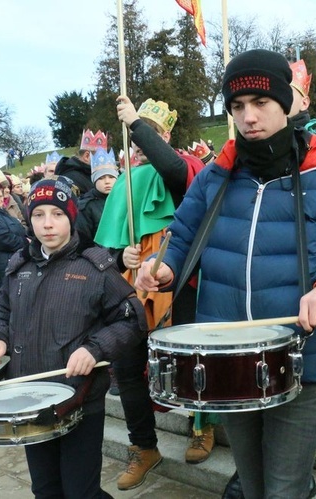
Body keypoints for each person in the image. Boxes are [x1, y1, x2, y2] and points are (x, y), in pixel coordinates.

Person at [133, 48, 316, 499]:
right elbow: (181, 238)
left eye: (260, 104)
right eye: (237, 107)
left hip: (301, 359)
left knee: (283, 490)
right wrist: (163, 269)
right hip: (226, 359)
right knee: (251, 486)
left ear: (285, 104)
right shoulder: (216, 175)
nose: (249, 117)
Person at [0, 177, 147, 499]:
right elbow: (1, 309)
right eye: (39, 214)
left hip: (79, 400)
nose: (47, 224)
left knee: (80, 492)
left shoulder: (95, 266)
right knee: (45, 490)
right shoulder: (20, 265)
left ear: (70, 217)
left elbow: (132, 319)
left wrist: (94, 348)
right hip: (30, 398)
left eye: (57, 214)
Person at [95, 97, 204, 490]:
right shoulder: (124, 183)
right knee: (126, 369)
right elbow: (109, 243)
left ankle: (201, 426)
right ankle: (144, 447)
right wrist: (119, 254)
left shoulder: (183, 169)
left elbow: (171, 167)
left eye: (151, 134)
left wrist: (137, 124)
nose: (141, 144)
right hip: (133, 289)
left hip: (181, 285)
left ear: (167, 135)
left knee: (194, 366)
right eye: (135, 137)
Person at [75, 147, 118, 253]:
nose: (107, 181)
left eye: (111, 177)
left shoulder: (124, 199)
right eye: (101, 178)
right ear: (94, 180)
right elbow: (83, 239)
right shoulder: (86, 206)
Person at [55, 130, 107, 196]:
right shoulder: (70, 179)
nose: (105, 161)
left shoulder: (88, 173)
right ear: (87, 156)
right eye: (101, 156)